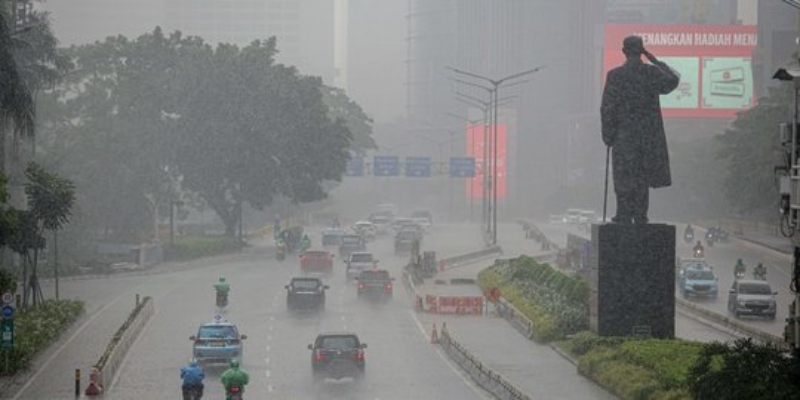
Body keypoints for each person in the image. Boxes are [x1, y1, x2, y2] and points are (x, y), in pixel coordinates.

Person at [601, 35, 680, 225]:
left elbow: (607, 107)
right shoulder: (651, 73)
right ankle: (640, 215)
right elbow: (672, 80)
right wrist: (654, 60)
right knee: (641, 179)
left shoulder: (615, 76)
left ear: (624, 52)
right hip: (646, 137)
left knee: (623, 177)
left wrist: (608, 134)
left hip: (623, 136)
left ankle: (623, 214)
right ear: (641, 51)